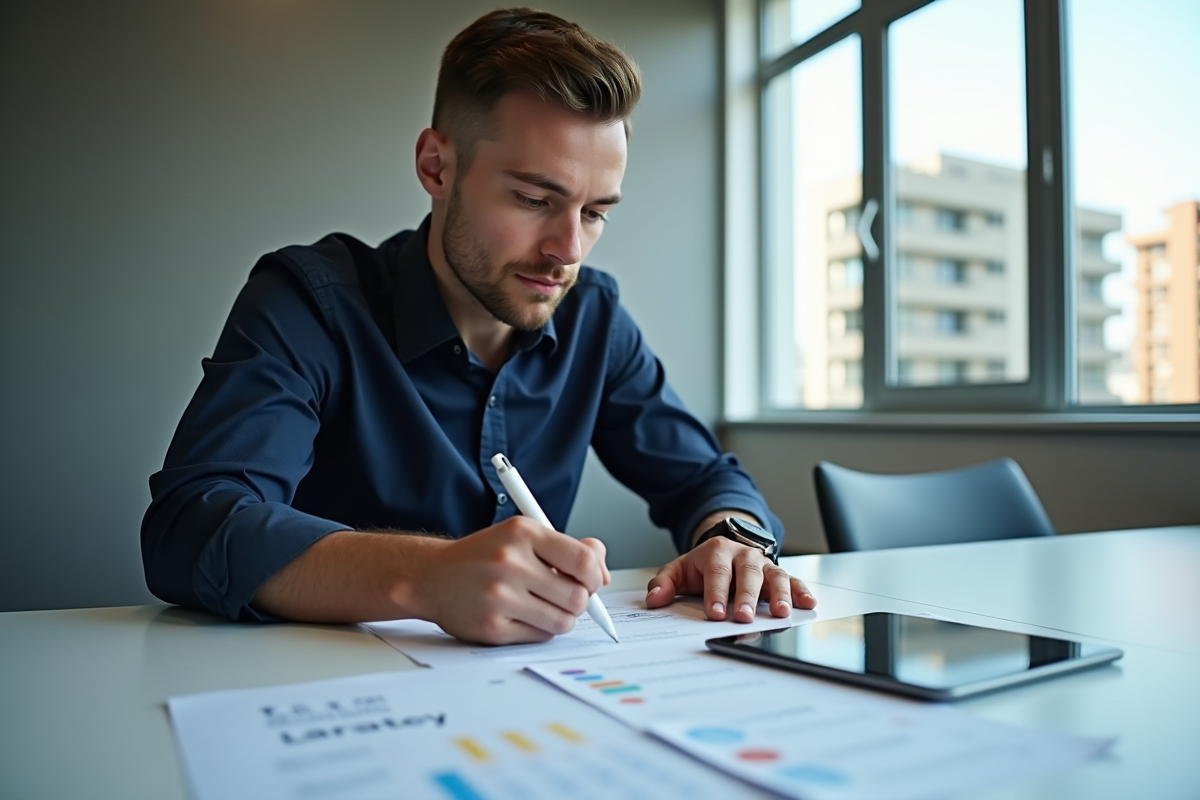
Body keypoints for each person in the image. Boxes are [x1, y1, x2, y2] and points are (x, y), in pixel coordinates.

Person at [141, 7, 816, 645]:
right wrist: (425, 579)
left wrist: (734, 541)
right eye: (533, 199)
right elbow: (192, 525)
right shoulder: (310, 303)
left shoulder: (594, 317)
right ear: (437, 166)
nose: (568, 251)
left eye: (594, 212)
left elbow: (703, 477)